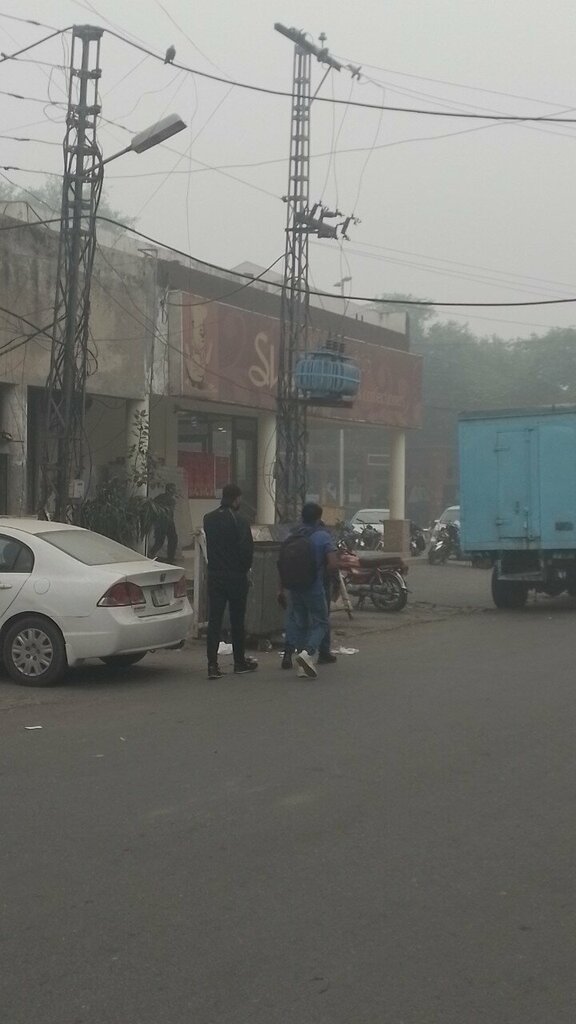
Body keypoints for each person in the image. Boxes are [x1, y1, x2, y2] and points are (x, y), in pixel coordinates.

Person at [203, 483, 258, 680]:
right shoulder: (241, 521)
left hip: (215, 575)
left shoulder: (208, 519)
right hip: (235, 577)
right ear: (236, 499)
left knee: (214, 621)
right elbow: (246, 551)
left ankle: (212, 665)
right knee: (237, 621)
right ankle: (239, 662)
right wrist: (244, 570)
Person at [278, 502, 338, 679]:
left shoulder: (291, 535)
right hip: (314, 586)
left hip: (294, 587)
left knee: (301, 623)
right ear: (319, 518)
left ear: (302, 516)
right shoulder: (322, 536)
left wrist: (280, 588)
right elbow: (333, 563)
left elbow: (282, 564)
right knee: (321, 622)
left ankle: (303, 666)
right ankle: (308, 653)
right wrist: (324, 575)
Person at [149, 483, 178, 563]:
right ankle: (170, 559)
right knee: (172, 539)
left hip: (160, 522)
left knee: (160, 541)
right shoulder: (171, 499)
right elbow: (169, 512)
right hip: (167, 522)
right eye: (174, 489)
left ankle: (151, 555)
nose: (175, 490)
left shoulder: (159, 498)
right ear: (170, 490)